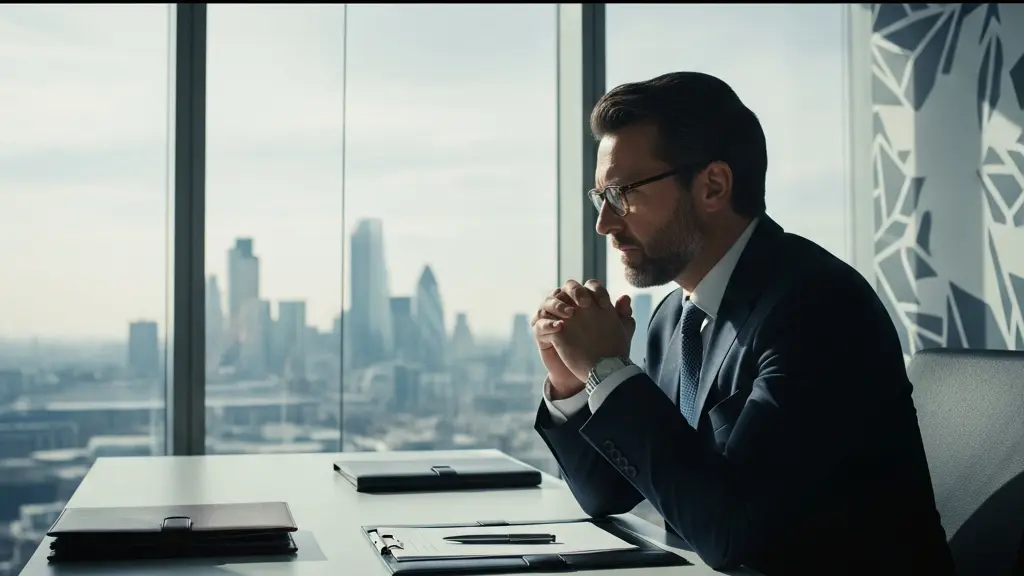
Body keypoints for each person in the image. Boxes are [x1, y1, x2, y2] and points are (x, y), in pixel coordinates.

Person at [530, 72, 954, 575]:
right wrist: (574, 381)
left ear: (713, 185)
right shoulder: (674, 319)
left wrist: (609, 369)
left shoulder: (817, 309)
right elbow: (610, 493)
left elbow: (737, 533)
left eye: (622, 193)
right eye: (600, 198)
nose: (605, 222)